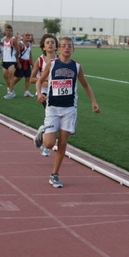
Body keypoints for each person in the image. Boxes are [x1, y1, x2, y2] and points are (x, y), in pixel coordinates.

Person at [34, 36, 100, 188]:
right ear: (59, 49)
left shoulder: (77, 66)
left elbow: (85, 84)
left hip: (69, 109)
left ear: (73, 49)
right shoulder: (51, 64)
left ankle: (54, 174)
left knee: (63, 143)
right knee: (50, 144)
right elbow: (39, 80)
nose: (66, 48)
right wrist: (39, 93)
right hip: (52, 108)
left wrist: (94, 101)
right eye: (63, 45)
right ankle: (42, 133)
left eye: (69, 46)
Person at [30, 33, 59, 157]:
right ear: (43, 46)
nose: (50, 44)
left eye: (52, 42)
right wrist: (44, 82)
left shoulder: (60, 59)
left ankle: (42, 133)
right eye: (47, 43)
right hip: (44, 93)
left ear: (56, 46)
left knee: (57, 119)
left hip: (57, 93)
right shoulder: (40, 60)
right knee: (51, 116)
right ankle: (45, 145)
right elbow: (31, 78)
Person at [1, 25, 20, 99]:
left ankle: (11, 92)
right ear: (5, 31)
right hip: (5, 60)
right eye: (7, 30)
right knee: (5, 76)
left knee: (11, 76)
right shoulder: (3, 39)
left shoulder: (13, 40)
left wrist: (16, 59)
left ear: (11, 31)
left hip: (11, 60)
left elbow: (17, 50)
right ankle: (11, 90)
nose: (8, 32)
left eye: (9, 30)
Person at [14, 31, 34, 97]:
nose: (28, 36)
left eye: (29, 35)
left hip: (27, 62)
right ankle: (10, 87)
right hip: (21, 61)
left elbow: (30, 54)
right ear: (23, 36)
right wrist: (18, 63)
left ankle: (27, 92)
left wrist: (32, 63)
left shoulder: (29, 44)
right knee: (19, 77)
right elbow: (17, 53)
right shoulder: (20, 44)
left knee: (28, 77)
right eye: (26, 35)